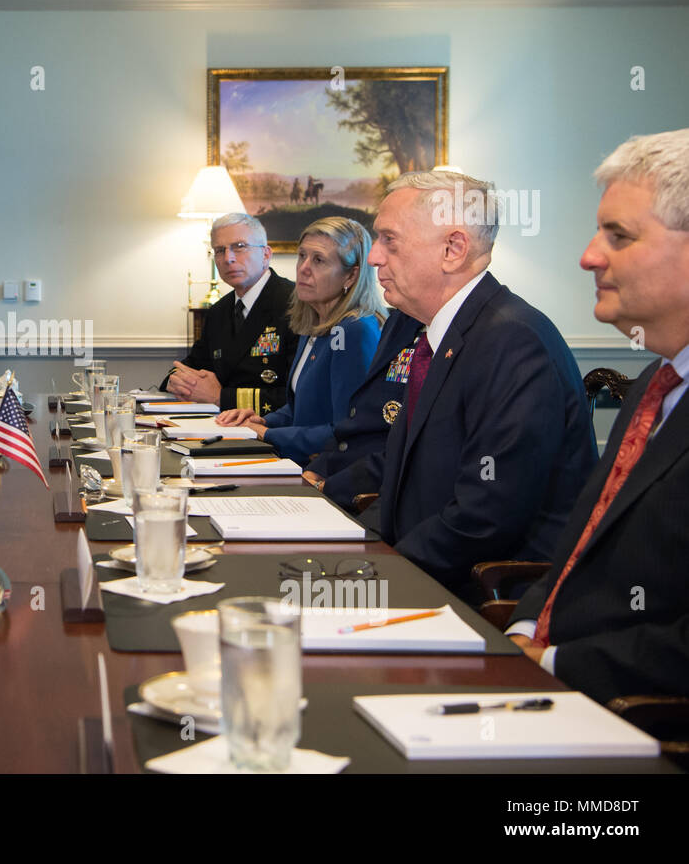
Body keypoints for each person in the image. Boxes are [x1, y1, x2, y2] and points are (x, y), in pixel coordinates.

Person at [508, 128, 689, 704]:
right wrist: (521, 630)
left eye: (619, 235)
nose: (589, 255)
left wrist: (555, 662)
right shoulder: (653, 389)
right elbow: (577, 547)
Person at [366, 171, 597, 596]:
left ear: (453, 250)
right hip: (427, 574)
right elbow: (403, 487)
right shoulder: (446, 333)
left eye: (389, 240)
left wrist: (374, 575)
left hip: (487, 599)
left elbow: (486, 517)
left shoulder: (512, 341)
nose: (374, 257)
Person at [216, 217, 386, 465]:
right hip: (292, 462)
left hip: (323, 474)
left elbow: (347, 431)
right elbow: (300, 411)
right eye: (301, 256)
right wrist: (262, 421)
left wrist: (268, 434)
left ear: (351, 276)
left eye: (318, 260)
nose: (303, 268)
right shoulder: (313, 324)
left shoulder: (353, 330)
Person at [162, 213, 295, 414]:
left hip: (271, 434)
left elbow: (298, 397)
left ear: (266, 254)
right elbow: (190, 367)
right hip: (218, 428)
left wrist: (220, 397)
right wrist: (179, 381)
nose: (228, 258)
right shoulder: (218, 312)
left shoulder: (295, 305)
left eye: (239, 247)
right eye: (219, 250)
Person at [301, 307, 424, 511]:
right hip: (342, 475)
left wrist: (329, 487)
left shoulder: (356, 328)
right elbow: (361, 416)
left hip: (376, 499)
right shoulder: (401, 320)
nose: (382, 273)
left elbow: (410, 451)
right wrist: (320, 468)